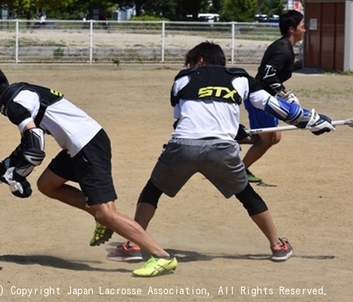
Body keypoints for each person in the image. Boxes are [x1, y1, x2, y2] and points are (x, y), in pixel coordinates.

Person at [106, 41, 334, 263]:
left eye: (191, 63)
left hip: (183, 146)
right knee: (247, 194)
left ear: (201, 60)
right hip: (222, 150)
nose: (189, 68)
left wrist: (237, 131)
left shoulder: (182, 80)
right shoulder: (241, 78)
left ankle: (134, 244)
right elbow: (274, 106)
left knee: (152, 191)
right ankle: (277, 245)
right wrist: (311, 120)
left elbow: (184, 121)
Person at [0, 63, 177, 277]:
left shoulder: (13, 104)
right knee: (47, 184)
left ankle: (161, 256)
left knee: (107, 214)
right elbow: (26, 146)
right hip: (81, 144)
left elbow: (35, 145)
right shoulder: (18, 93)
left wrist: (18, 176)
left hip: (87, 146)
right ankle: (99, 215)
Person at [239, 10, 306, 182]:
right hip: (259, 98)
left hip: (265, 97)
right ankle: (240, 172)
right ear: (292, 29)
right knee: (268, 139)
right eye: (302, 26)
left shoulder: (284, 46)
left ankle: (232, 138)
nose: (304, 30)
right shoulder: (283, 48)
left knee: (272, 137)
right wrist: (286, 93)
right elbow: (269, 75)